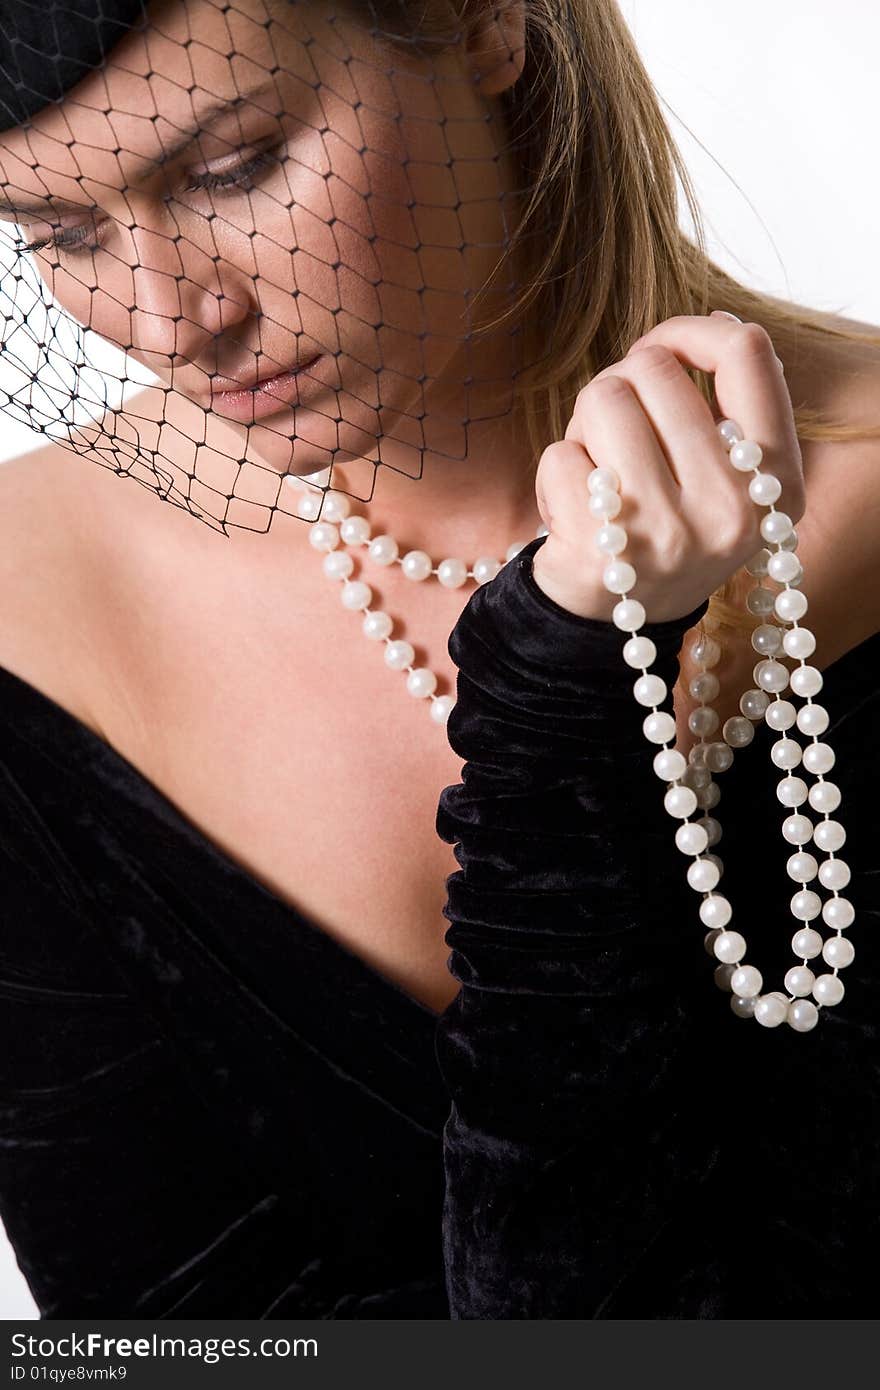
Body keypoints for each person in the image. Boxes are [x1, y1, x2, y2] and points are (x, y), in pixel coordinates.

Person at [0, 0, 878, 1319]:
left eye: (235, 168)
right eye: (62, 235)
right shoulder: (33, 610)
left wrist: (568, 697)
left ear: (482, 20)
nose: (172, 315)